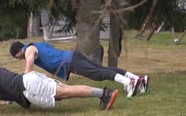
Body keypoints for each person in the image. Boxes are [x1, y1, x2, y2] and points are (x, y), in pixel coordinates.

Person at [9, 41, 149, 98]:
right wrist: (49, 86)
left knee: (98, 74)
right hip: (72, 56)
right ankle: (137, 79)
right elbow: (51, 64)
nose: (18, 59)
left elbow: (28, 68)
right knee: (102, 69)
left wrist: (23, 79)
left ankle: (128, 82)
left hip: (70, 62)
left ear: (18, 51)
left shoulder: (29, 50)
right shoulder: (38, 45)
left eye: (16, 56)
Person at [0, 65, 119, 114]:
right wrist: (9, 101)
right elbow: (6, 82)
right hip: (29, 79)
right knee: (66, 92)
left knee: (66, 92)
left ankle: (106, 94)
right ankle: (103, 95)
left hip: (28, 86)